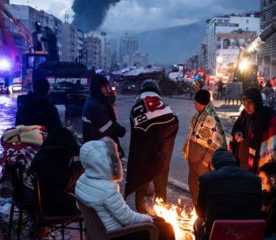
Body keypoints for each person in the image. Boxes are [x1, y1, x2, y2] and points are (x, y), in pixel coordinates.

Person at [74, 138, 187, 240]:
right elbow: (128, 219)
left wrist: (152, 219)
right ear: (103, 163)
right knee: (166, 230)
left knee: (158, 221)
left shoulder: (82, 180)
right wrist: (149, 219)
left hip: (98, 237)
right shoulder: (107, 189)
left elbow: (81, 205)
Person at [194, 148, 262, 240]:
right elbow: (257, 209)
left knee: (198, 222)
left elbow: (200, 211)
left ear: (214, 165)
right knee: (237, 225)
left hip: (217, 239)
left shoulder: (207, 179)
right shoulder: (255, 180)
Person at [125, 80, 178, 214]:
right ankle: (161, 216)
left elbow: (136, 132)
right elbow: (173, 123)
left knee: (141, 188)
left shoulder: (136, 107)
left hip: (142, 159)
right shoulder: (164, 106)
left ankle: (141, 215)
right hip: (161, 157)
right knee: (160, 188)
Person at [230, 87, 276, 182]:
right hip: (241, 167)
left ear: (257, 102)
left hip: (259, 171)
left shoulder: (269, 119)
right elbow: (237, 128)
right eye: (244, 104)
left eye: (250, 103)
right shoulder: (244, 115)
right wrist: (237, 134)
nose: (247, 107)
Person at [182, 89, 226, 204]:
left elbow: (217, 142)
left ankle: (204, 214)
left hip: (202, 162)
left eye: (195, 102)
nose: (194, 104)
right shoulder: (198, 115)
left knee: (204, 189)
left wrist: (206, 160)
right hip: (193, 159)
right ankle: (197, 210)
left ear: (201, 103)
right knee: (193, 185)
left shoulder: (211, 118)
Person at [29, 127, 83, 216]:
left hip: (43, 199)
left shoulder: (45, 153)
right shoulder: (49, 161)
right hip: (49, 205)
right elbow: (64, 184)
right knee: (90, 202)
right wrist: (77, 167)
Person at [82, 74, 126, 155]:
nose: (108, 90)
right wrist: (120, 130)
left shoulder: (95, 101)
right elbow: (108, 129)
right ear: (98, 88)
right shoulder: (95, 106)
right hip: (98, 152)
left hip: (97, 149)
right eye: (105, 87)